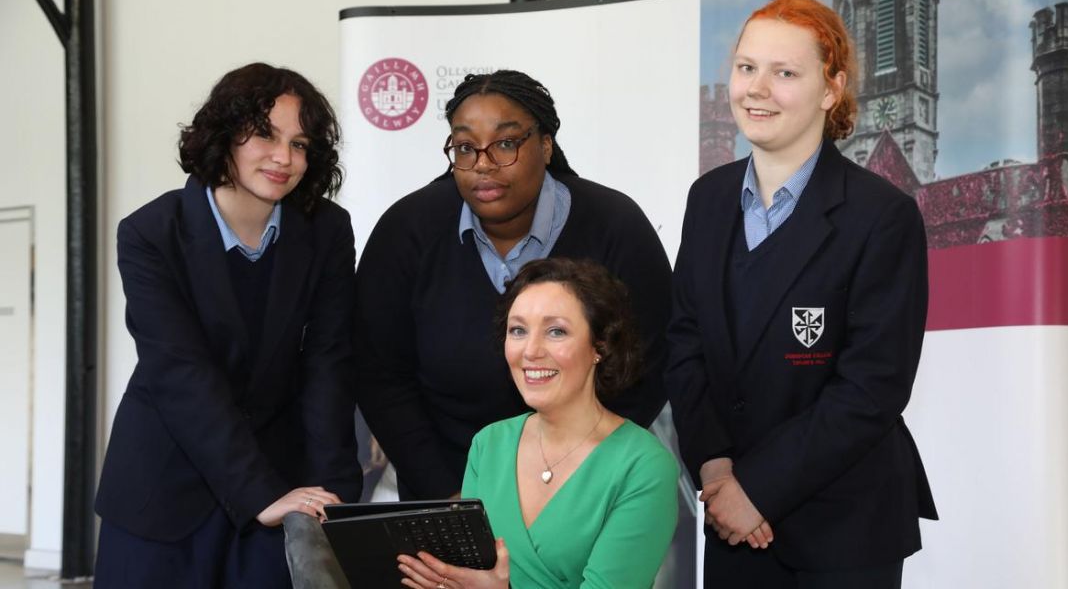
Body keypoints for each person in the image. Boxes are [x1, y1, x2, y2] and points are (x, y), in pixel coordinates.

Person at [666, 0, 937, 587]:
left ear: (830, 89)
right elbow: (684, 345)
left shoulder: (882, 216)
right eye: (746, 68)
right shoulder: (706, 200)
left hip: (843, 527)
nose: (756, 89)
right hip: (733, 521)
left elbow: (872, 388)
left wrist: (756, 490)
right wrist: (714, 468)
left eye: (784, 73)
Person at [94, 63, 362, 587]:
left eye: (301, 143)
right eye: (265, 134)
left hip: (280, 482)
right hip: (164, 488)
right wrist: (256, 491)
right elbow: (179, 374)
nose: (285, 158)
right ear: (225, 135)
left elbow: (329, 363)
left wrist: (335, 494)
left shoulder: (326, 231)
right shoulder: (151, 233)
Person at [355, 70, 671, 500]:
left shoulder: (614, 226)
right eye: (465, 147)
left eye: (505, 143)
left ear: (545, 145)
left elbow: (649, 366)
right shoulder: (408, 230)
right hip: (445, 491)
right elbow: (380, 375)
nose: (483, 163)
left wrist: (578, 475)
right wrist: (446, 493)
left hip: (584, 489)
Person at [398, 258, 679, 589]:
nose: (530, 351)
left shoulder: (643, 466)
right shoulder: (489, 444)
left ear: (599, 346)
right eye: (518, 330)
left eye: (556, 331)